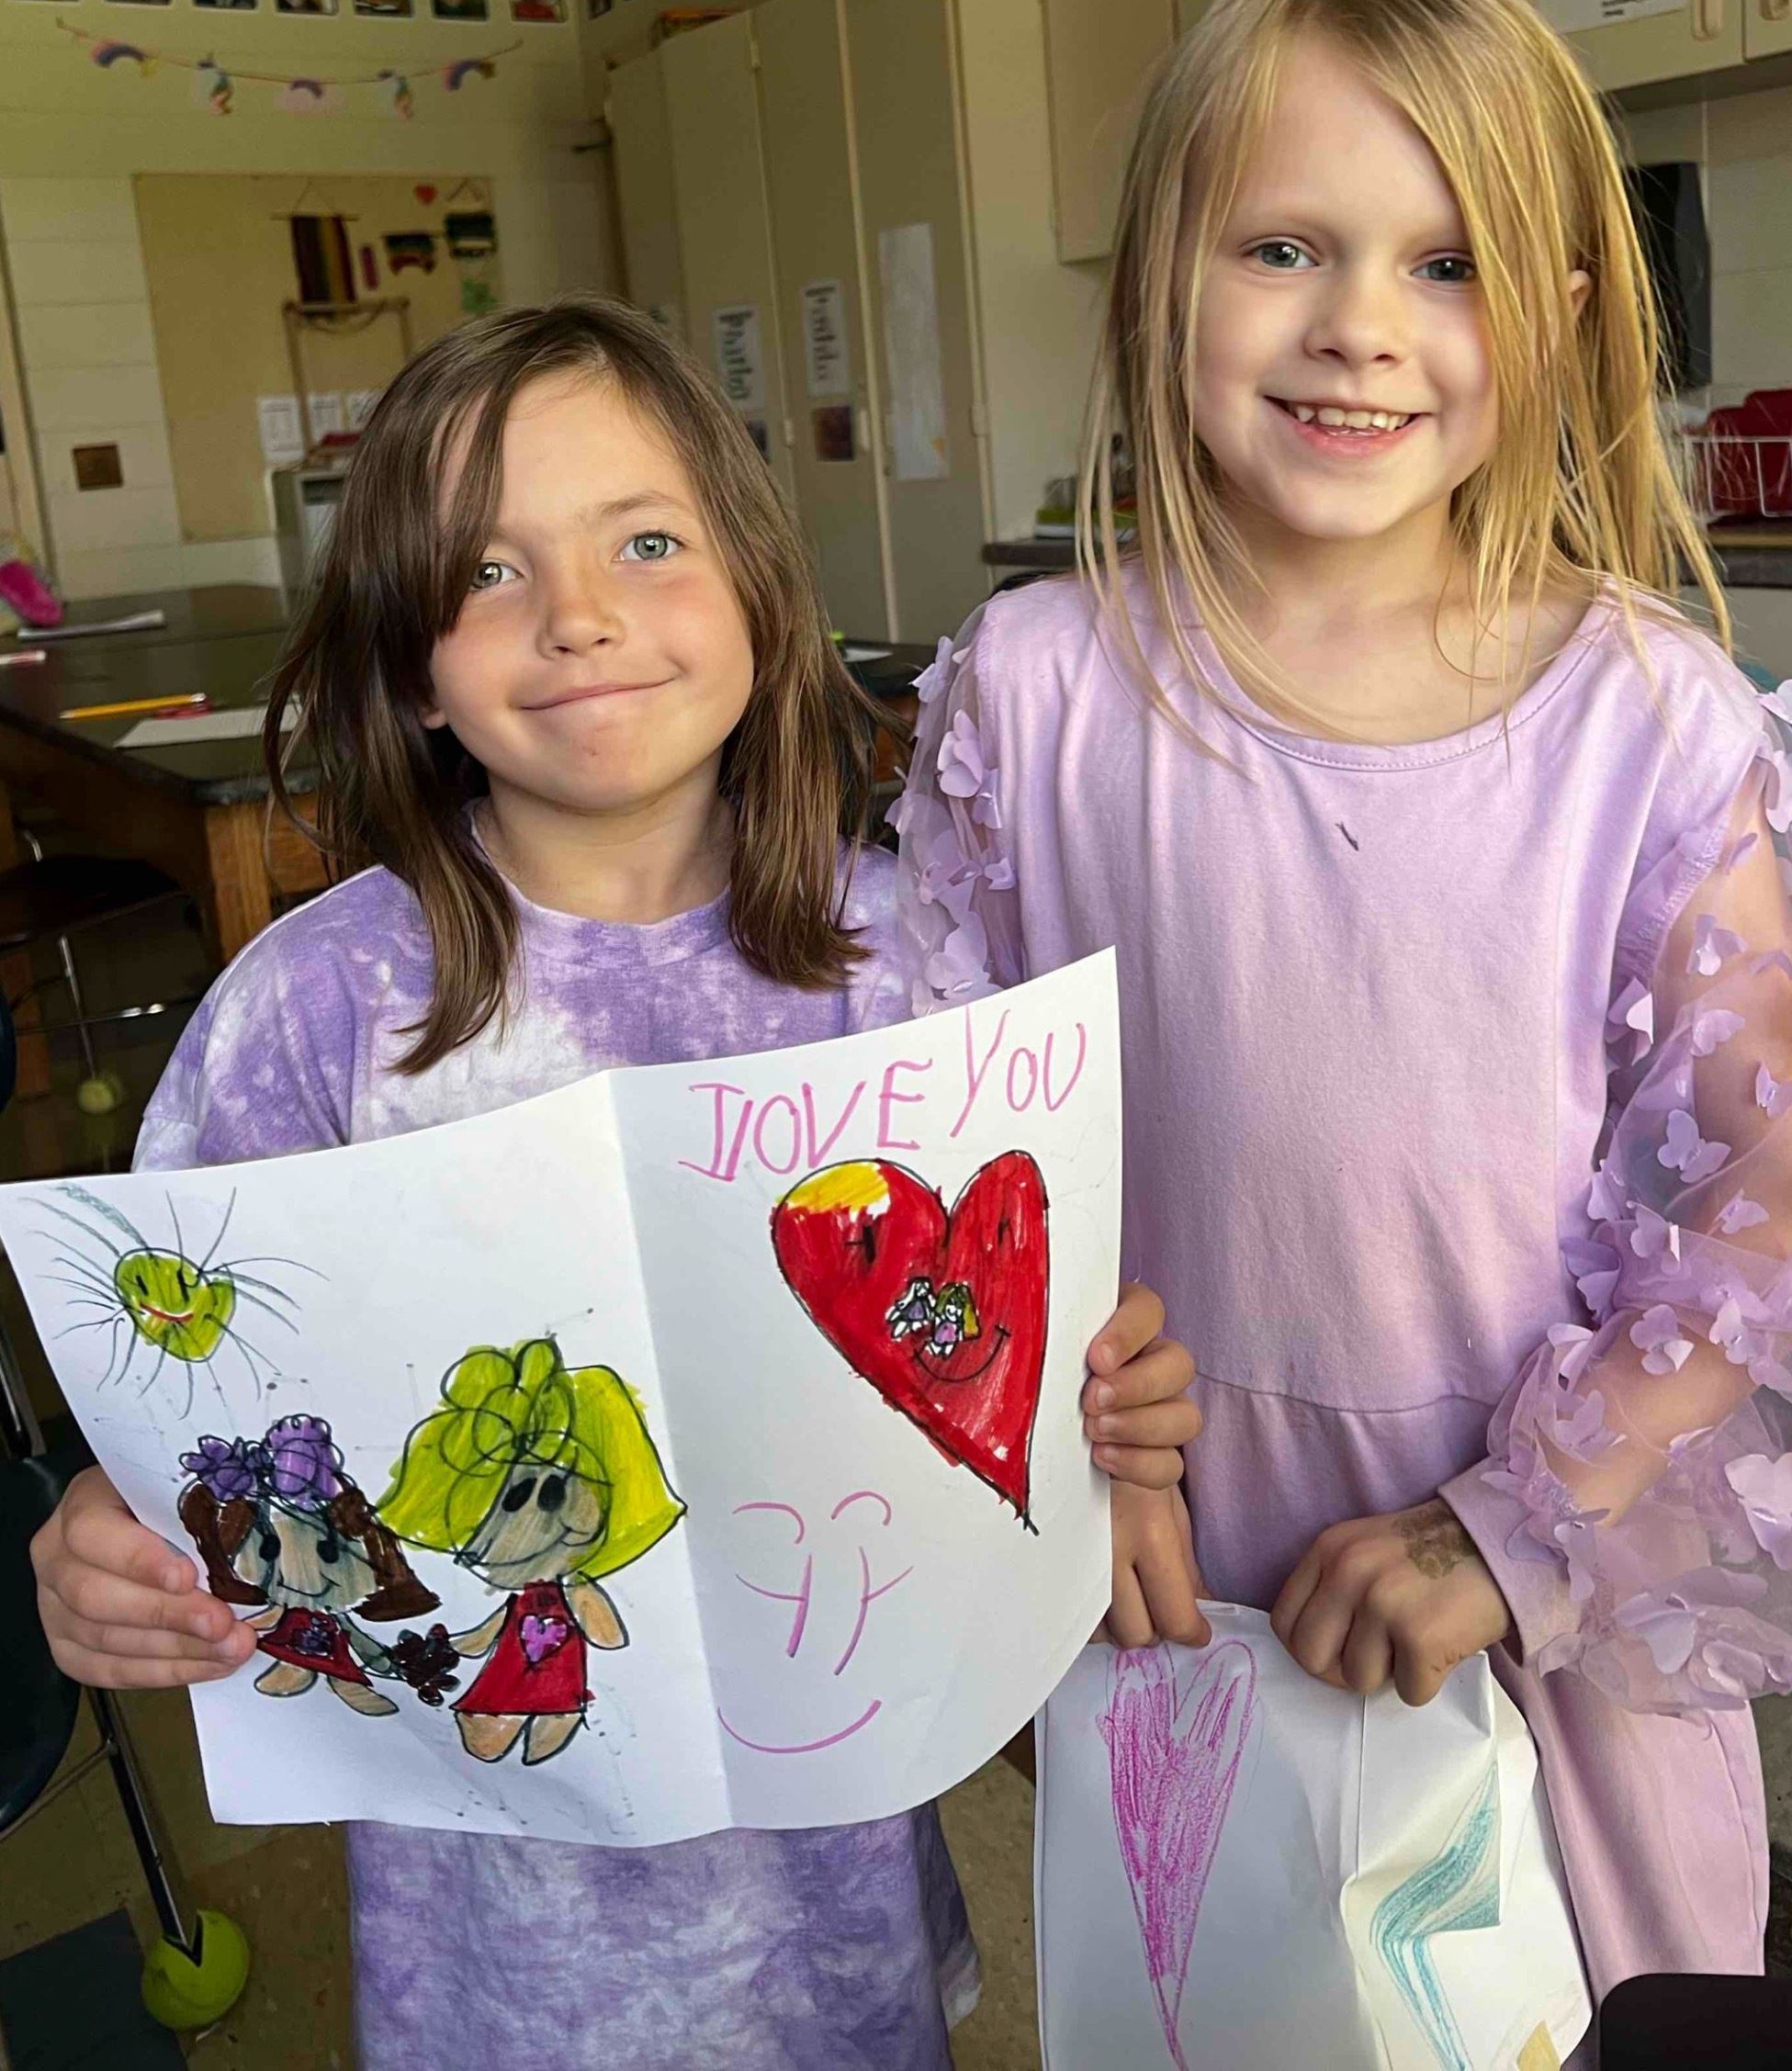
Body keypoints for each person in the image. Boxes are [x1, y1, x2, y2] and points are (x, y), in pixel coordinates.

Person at [31, 295, 1204, 2069]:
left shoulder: (914, 970)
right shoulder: (314, 1013)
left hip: (834, 1885)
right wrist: (109, 1536)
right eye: (486, 570)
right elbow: (184, 1417)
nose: (577, 613)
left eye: (645, 543)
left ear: (758, 592)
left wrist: (1109, 1409)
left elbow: (1010, 1341)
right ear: (408, 664)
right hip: (492, 1913)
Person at [897, 0, 1792, 2010]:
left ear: (1562, 317)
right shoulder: (1030, 693)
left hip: (1544, 1625)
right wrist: (1063, 1443)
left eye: (1449, 265)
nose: (1359, 324)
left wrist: (1514, 1523)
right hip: (1175, 1591)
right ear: (1159, 275)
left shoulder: (1648, 721)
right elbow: (942, 1161)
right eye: (1284, 245)